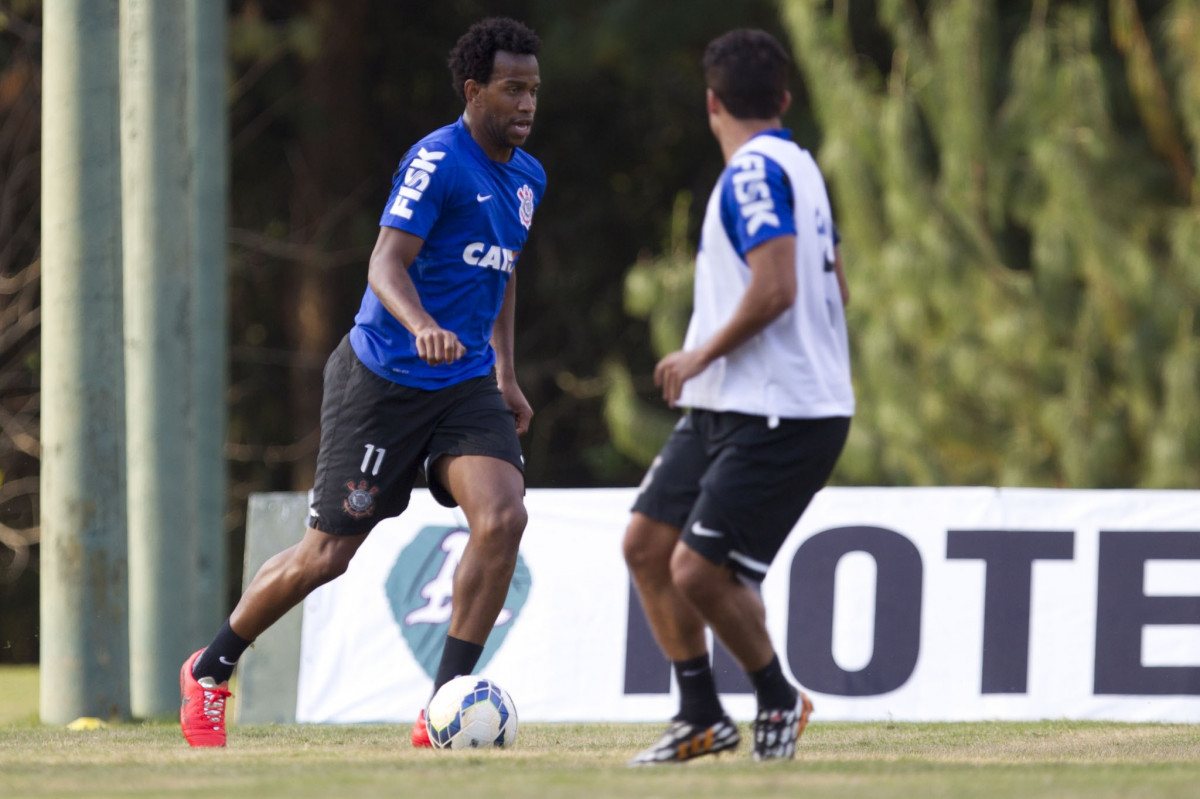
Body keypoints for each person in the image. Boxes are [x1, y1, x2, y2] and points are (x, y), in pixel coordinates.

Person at [179, 17, 545, 749]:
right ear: (474, 91)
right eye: (512, 89)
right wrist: (420, 327)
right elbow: (385, 263)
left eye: (534, 89)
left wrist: (504, 372)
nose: (527, 103)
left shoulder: (528, 178)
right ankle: (212, 667)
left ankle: (443, 703)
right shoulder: (437, 161)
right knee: (327, 555)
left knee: (503, 518)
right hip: (381, 376)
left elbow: (502, 274)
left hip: (466, 381)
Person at [623, 28, 853, 765]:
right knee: (647, 546)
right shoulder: (802, 168)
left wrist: (699, 352)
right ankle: (699, 713)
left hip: (781, 411)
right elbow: (834, 285)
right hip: (735, 403)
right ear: (785, 100)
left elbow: (779, 286)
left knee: (697, 570)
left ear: (712, 102)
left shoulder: (753, 173)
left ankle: (777, 696)